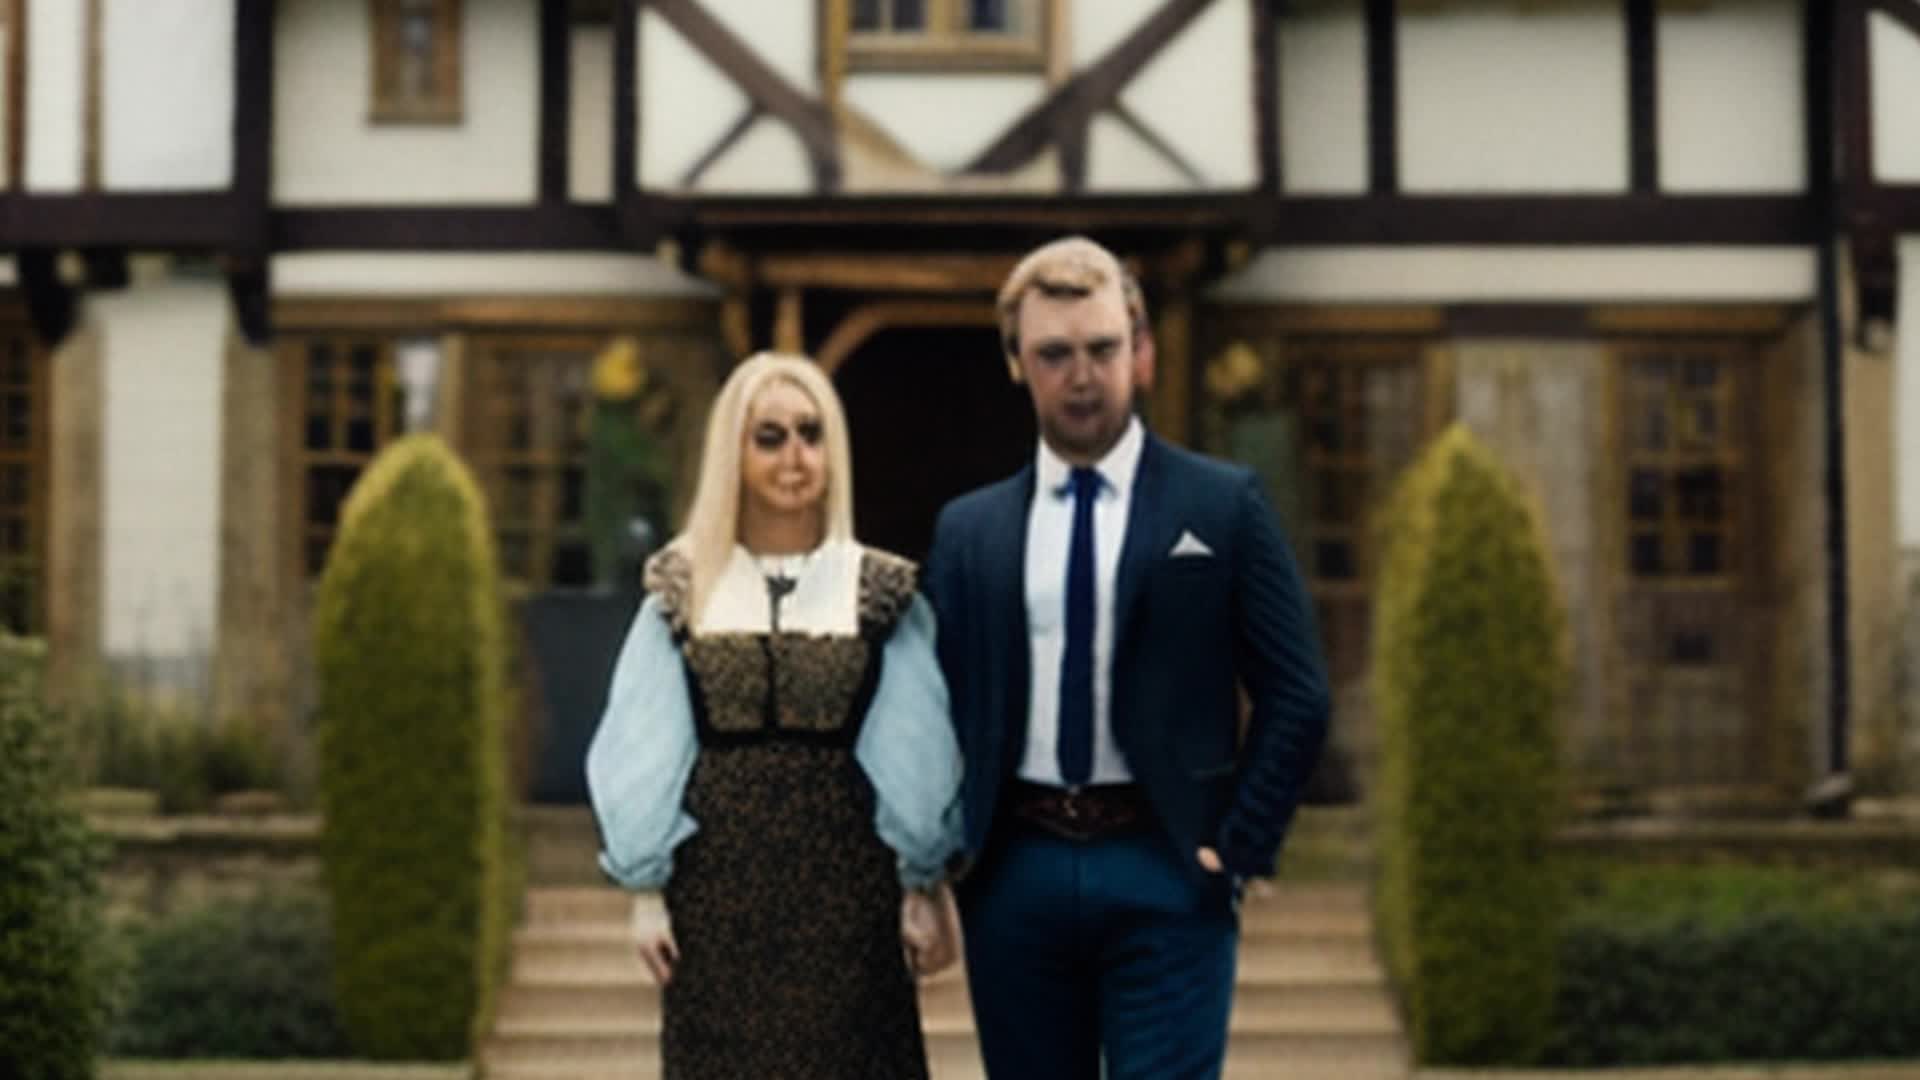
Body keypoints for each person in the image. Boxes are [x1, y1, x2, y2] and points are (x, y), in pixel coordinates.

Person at [921, 236, 1331, 1080]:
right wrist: (941, 860)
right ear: (1015, 363)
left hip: (1167, 868)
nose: (1082, 374)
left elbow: (1298, 693)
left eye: (1103, 348)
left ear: (1139, 352)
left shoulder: (1222, 505)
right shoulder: (969, 531)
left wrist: (1241, 844)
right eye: (1055, 354)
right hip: (1016, 876)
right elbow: (932, 709)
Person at [586, 352, 964, 1080]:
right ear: (734, 449)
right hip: (715, 902)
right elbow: (643, 748)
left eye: (811, 433)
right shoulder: (680, 591)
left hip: (852, 903)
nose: (796, 456)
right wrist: (645, 893)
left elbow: (917, 751)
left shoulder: (880, 593)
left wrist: (923, 886)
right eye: (770, 436)